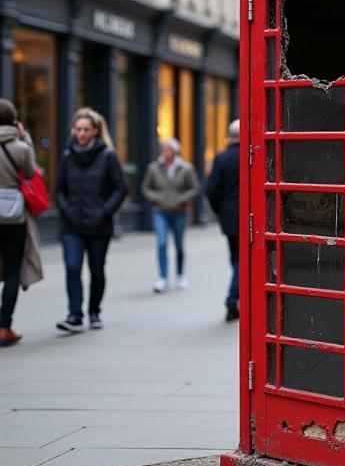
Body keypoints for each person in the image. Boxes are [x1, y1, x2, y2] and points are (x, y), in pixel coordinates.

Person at [55, 108, 127, 333]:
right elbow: (58, 190)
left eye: (86, 129)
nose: (82, 134)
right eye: (78, 129)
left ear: (95, 131)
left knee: (96, 270)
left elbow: (121, 187)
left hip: (99, 226)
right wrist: (66, 209)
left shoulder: (107, 156)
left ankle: (94, 311)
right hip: (72, 226)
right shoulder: (68, 156)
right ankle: (74, 315)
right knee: (73, 267)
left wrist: (105, 211)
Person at [0, 99, 43, 347]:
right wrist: (25, 139)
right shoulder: (19, 147)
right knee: (13, 269)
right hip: (12, 215)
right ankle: (4, 327)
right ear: (14, 121)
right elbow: (30, 174)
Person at [142, 138, 200, 293]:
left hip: (179, 212)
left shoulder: (186, 168)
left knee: (179, 245)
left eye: (168, 150)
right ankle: (162, 277)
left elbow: (194, 188)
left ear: (175, 152)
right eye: (163, 150)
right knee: (161, 243)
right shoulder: (154, 168)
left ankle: (180, 275)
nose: (165, 153)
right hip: (160, 211)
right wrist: (157, 198)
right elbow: (146, 187)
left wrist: (182, 199)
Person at [206, 120, 241, 321]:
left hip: (228, 216)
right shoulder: (253, 153)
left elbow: (211, 191)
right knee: (240, 261)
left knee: (235, 258)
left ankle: (234, 297)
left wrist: (221, 211)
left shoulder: (221, 158)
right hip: (251, 217)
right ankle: (232, 298)